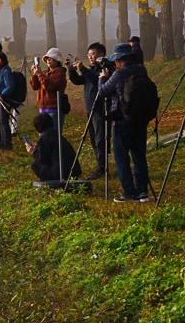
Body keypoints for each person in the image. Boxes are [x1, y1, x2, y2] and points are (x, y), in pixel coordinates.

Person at [98, 43, 151, 203]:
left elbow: (103, 91)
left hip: (122, 120)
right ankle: (142, 192)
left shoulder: (119, 74)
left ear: (119, 60)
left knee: (121, 157)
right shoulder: (142, 70)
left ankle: (129, 193)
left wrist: (102, 78)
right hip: (140, 119)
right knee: (139, 156)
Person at [69, 42, 109, 180]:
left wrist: (83, 69)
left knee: (100, 138)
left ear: (101, 55)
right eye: (89, 55)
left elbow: (96, 81)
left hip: (99, 109)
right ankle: (100, 164)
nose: (90, 57)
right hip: (89, 108)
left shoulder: (104, 69)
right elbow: (78, 81)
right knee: (93, 139)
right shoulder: (91, 70)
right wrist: (71, 70)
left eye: (93, 54)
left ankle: (102, 167)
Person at [25, 112, 82, 181]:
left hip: (60, 174)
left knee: (35, 165)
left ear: (37, 129)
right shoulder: (57, 135)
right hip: (73, 172)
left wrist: (33, 152)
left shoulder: (44, 138)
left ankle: (48, 182)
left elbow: (43, 159)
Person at [30, 47, 68, 131]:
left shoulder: (60, 72)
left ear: (57, 60)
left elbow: (50, 86)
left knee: (53, 133)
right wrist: (35, 74)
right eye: (47, 58)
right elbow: (35, 86)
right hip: (42, 108)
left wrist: (39, 75)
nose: (48, 60)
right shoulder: (44, 73)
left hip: (54, 109)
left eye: (51, 58)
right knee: (43, 132)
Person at [0, 52, 16, 150]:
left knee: (3, 121)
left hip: (4, 100)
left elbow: (10, 85)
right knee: (0, 121)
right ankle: (3, 142)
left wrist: (2, 94)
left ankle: (7, 143)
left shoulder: (6, 71)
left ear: (0, 60)